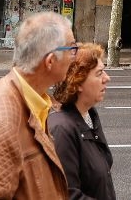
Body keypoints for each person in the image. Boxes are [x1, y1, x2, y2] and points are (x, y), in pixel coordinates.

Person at [0, 11, 77, 200]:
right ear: (50, 61)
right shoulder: (2, 124)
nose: (75, 56)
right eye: (71, 48)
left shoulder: (34, 102)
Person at [48, 43, 116, 200]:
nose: (107, 78)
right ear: (77, 82)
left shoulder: (89, 116)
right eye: (99, 73)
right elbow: (66, 194)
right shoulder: (61, 129)